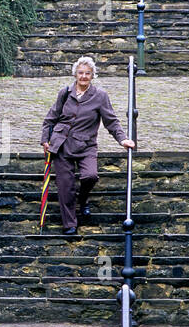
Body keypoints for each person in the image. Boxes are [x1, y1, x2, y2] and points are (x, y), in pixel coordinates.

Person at [41, 55, 134, 238]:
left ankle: (82, 199)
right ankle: (70, 224)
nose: (83, 76)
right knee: (65, 186)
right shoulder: (65, 93)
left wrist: (122, 139)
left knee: (90, 176)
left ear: (93, 76)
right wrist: (46, 139)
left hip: (86, 145)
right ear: (75, 74)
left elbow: (111, 121)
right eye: (80, 73)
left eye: (87, 73)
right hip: (61, 145)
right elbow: (50, 118)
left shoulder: (100, 96)